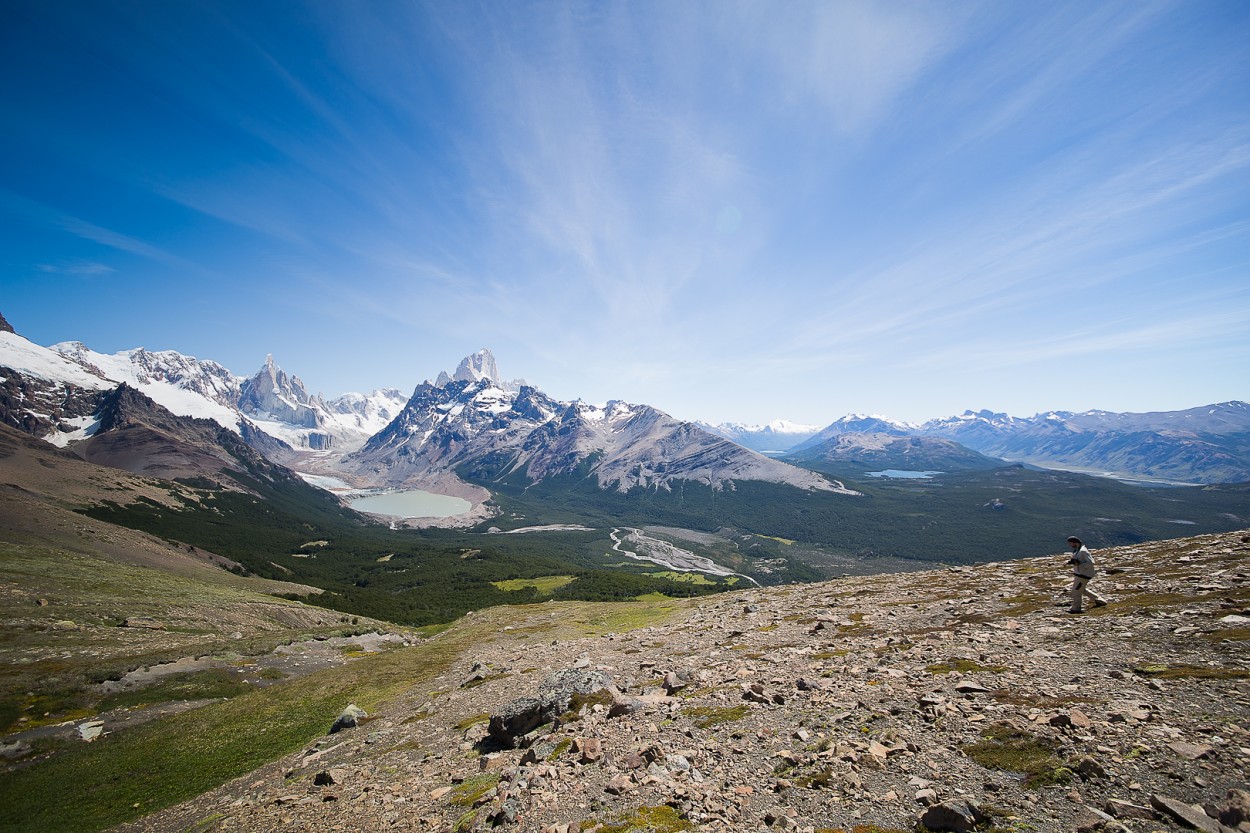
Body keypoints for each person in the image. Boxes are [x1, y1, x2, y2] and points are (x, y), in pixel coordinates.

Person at [1065, 536, 1108, 613]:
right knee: (1082, 589)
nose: (1070, 545)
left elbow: (1091, 562)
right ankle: (1099, 600)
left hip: (1083, 575)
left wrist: (1080, 565)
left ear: (1075, 543)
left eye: (1071, 543)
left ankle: (1076, 608)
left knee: (1076, 591)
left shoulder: (1083, 551)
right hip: (1079, 574)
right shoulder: (1077, 550)